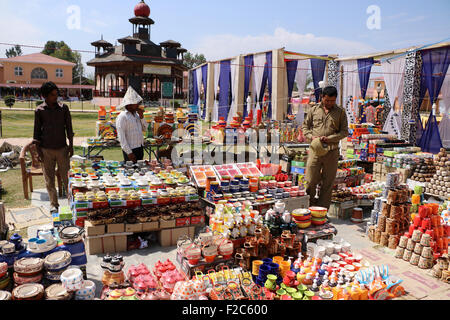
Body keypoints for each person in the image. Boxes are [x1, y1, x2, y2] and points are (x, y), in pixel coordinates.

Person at [302, 86, 349, 209]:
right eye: (327, 100)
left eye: (332, 101)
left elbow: (344, 132)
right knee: (310, 181)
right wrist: (311, 137)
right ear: (322, 97)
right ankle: (309, 208)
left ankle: (321, 211)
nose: (329, 103)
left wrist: (330, 138)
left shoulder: (340, 112)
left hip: (332, 152)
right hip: (315, 151)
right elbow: (305, 127)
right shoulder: (313, 110)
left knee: (328, 183)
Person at [33, 82, 74, 213]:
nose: (55, 97)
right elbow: (36, 133)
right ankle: (53, 204)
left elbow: (69, 128)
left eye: (57, 94)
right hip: (46, 150)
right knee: (49, 180)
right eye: (52, 95)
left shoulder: (64, 108)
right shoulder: (39, 111)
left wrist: (71, 146)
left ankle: (71, 203)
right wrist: (38, 151)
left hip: (62, 149)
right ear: (45, 96)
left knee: (67, 178)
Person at [116, 86, 149, 163]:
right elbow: (122, 138)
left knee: (139, 171)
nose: (138, 105)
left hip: (140, 148)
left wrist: (142, 116)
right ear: (129, 104)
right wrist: (129, 153)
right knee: (131, 172)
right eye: (136, 103)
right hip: (130, 150)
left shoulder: (137, 115)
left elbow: (145, 128)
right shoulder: (122, 117)